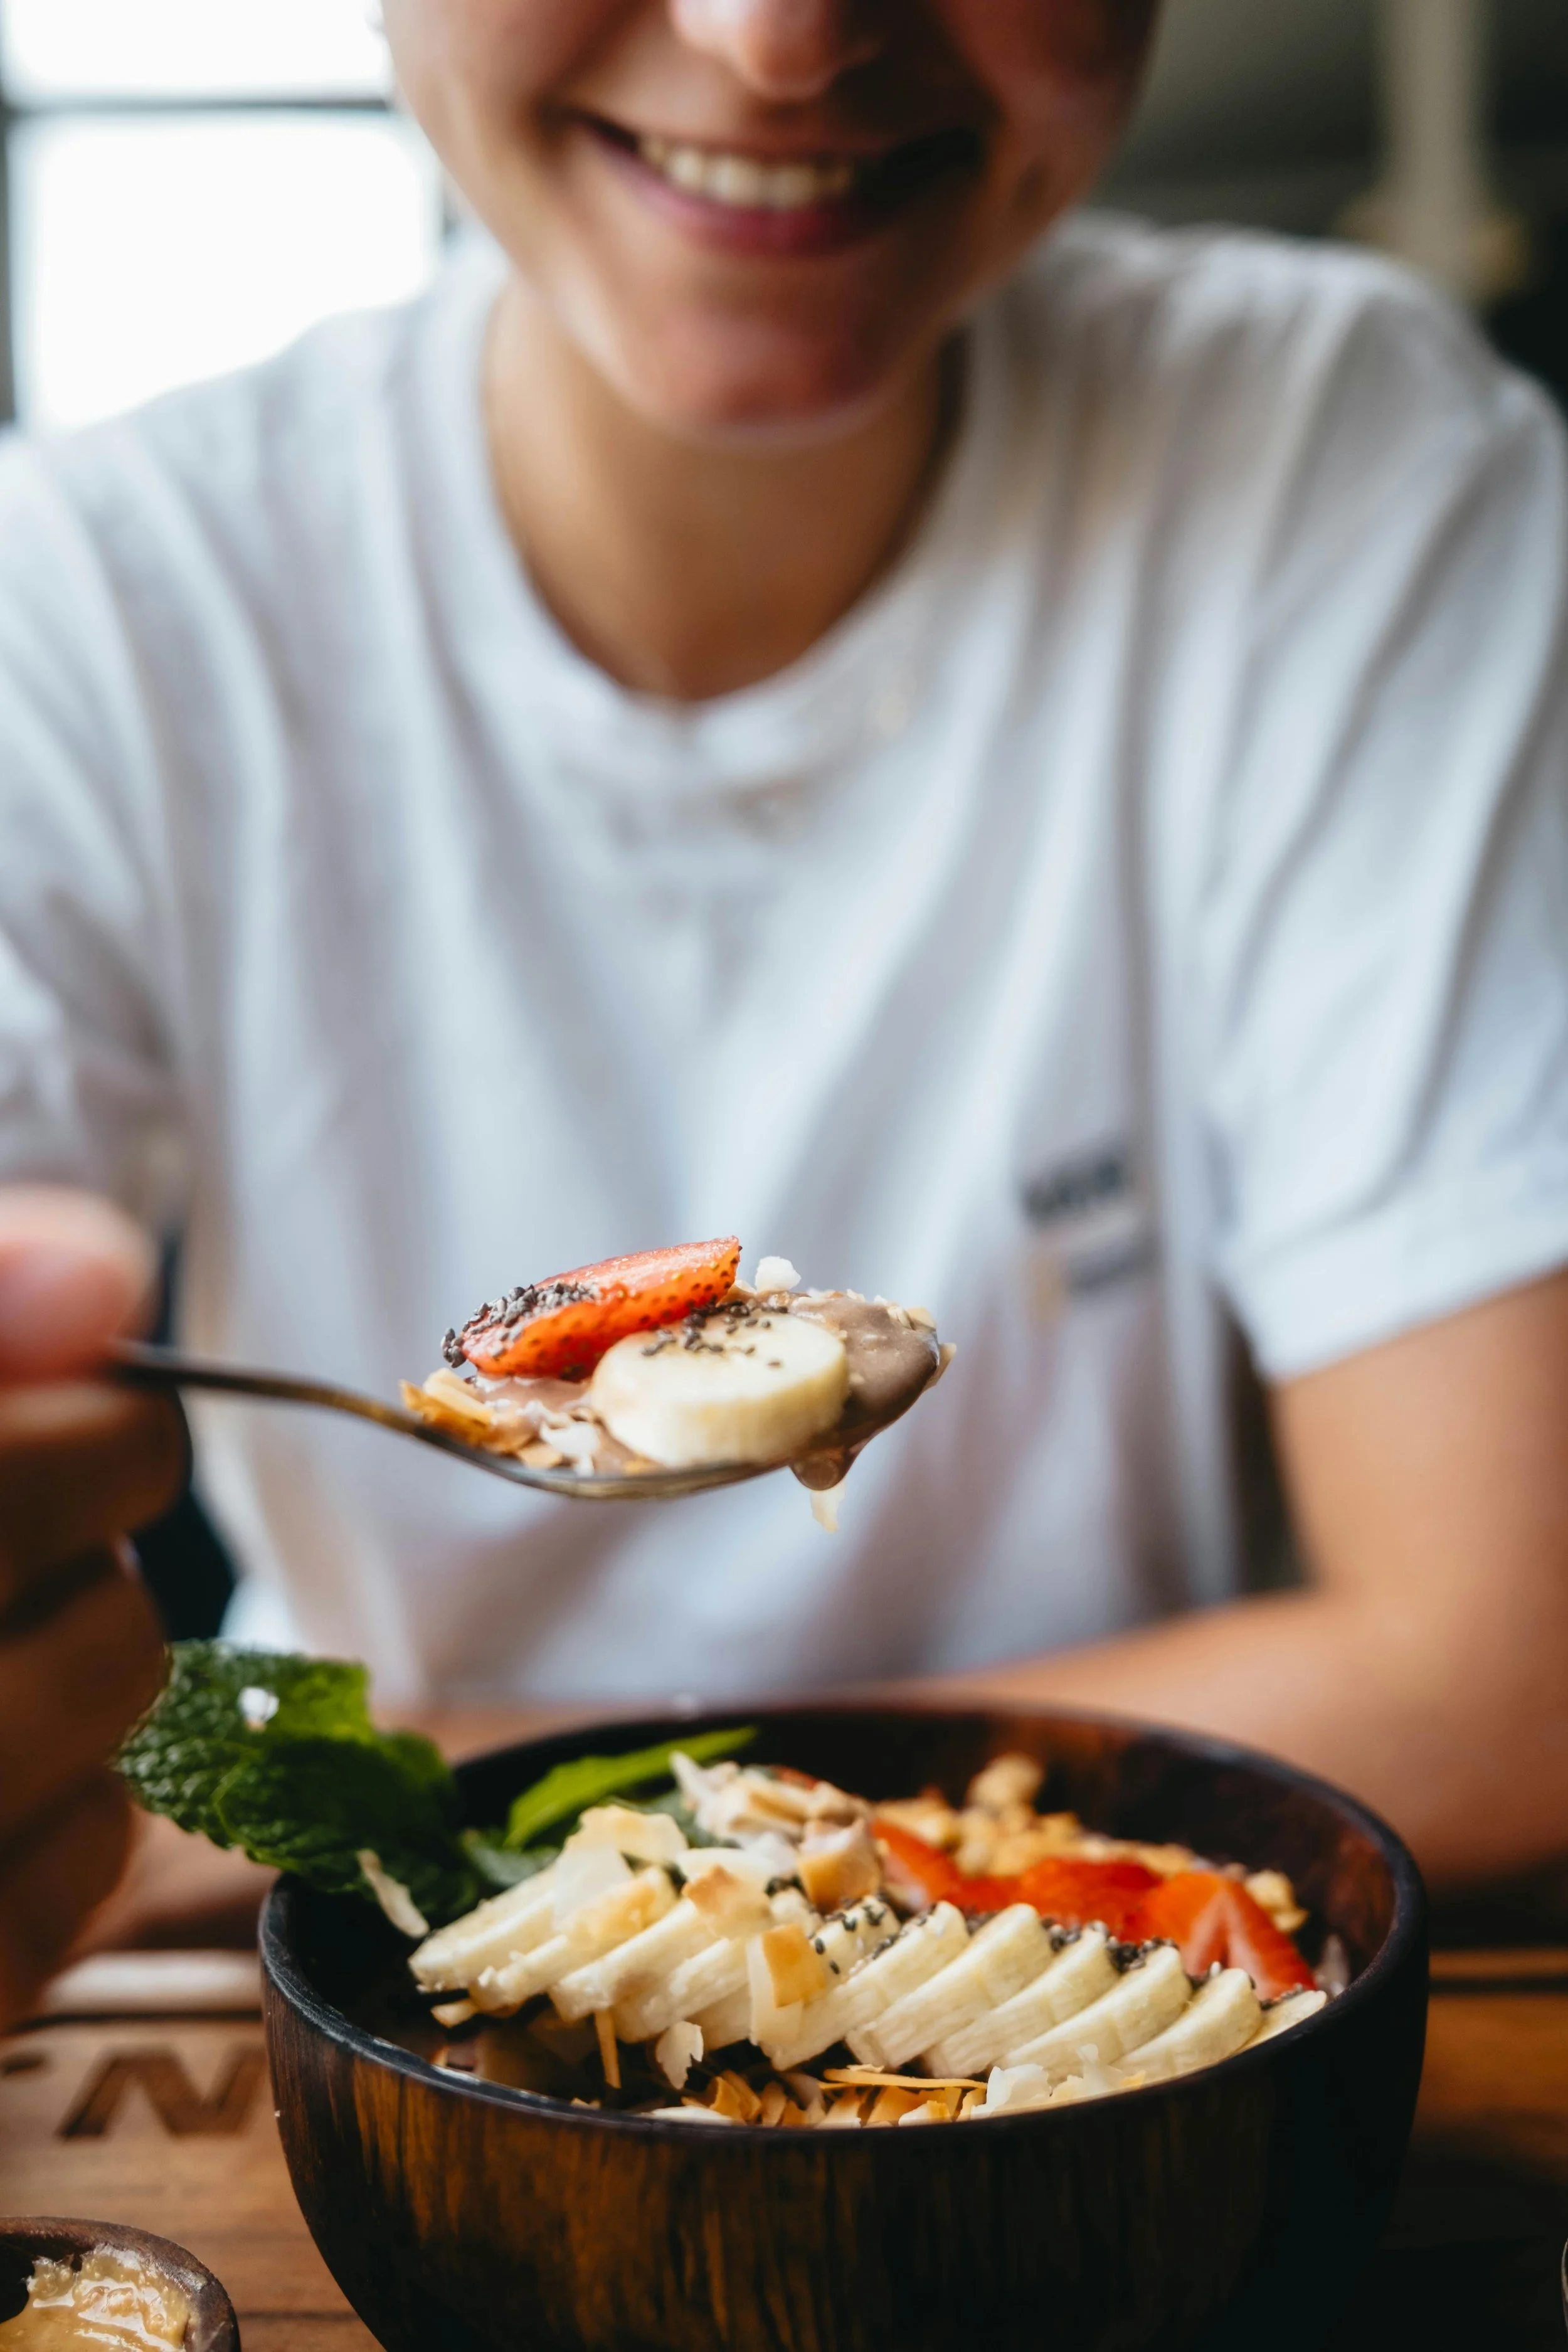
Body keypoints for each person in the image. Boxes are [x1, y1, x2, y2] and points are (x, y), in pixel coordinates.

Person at [4, 0, 1568, 2029]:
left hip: (1118, 2033)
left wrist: (457, 1763)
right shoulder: (101, 600)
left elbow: (1504, 1667)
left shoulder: (1342, 465)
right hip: (380, 2030)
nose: (776, 38)